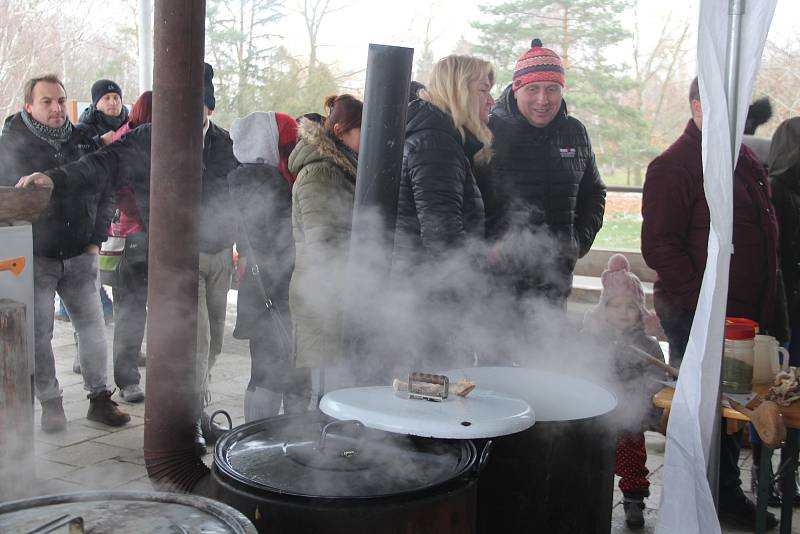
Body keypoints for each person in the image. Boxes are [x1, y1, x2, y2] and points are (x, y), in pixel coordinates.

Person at [14, 63, 238, 453]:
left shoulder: (222, 142)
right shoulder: (147, 139)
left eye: (199, 106)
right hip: (173, 258)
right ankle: (185, 423)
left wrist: (248, 248)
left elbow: (244, 195)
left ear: (209, 109)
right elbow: (100, 165)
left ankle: (195, 409)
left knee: (212, 344)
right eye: (181, 107)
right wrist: (54, 178)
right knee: (193, 344)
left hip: (217, 254)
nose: (190, 115)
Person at [641, 77, 781, 530]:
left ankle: (722, 490)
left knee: (731, 408)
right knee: (705, 412)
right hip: (697, 315)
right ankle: (704, 497)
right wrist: (704, 306)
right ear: (699, 106)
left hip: (742, 315)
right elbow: (659, 245)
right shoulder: (675, 165)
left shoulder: (743, 159)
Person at [0, 74, 130, 432]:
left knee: (92, 327)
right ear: (29, 105)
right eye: (47, 102)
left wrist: (95, 239)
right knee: (39, 333)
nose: (56, 108)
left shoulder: (83, 139)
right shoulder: (11, 144)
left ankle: (100, 398)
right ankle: (51, 403)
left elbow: (107, 189)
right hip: (35, 255)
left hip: (80, 251)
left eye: (60, 100)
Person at [482, 39, 606, 308]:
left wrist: (578, 242)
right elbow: (468, 200)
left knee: (550, 349)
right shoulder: (489, 131)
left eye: (552, 89)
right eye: (533, 89)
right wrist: (486, 250)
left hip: (555, 283)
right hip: (497, 288)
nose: (543, 99)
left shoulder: (575, 131)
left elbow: (594, 191)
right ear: (516, 90)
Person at [392, 54, 494, 371]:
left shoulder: (439, 136)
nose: (491, 100)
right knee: (431, 393)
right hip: (430, 304)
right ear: (459, 90)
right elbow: (442, 237)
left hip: (422, 296)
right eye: (483, 89)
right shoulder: (436, 143)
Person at [228, 111, 312, 419]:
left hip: (259, 287)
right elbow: (280, 244)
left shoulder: (244, 176)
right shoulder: (269, 182)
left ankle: (250, 435)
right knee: (274, 371)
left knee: (262, 369)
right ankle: (258, 440)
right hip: (275, 289)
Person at [581, 254, 665, 529]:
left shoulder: (648, 346)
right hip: (597, 411)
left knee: (631, 457)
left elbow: (656, 377)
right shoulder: (593, 340)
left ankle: (634, 499)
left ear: (640, 309)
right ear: (603, 309)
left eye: (630, 306)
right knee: (592, 455)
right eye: (615, 305)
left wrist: (636, 393)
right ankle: (591, 492)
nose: (622, 312)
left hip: (631, 414)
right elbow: (582, 366)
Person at [287, 94, 362, 397]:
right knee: (332, 394)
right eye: (362, 131)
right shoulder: (321, 171)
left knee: (339, 389)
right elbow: (323, 246)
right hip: (323, 299)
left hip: (335, 296)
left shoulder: (342, 166)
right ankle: (330, 444)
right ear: (342, 130)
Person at [101, 90, 153, 404]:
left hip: (151, 234)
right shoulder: (126, 142)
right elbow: (117, 191)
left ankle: (135, 366)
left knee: (138, 310)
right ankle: (127, 378)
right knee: (130, 310)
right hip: (131, 238)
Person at [766, 116, 800, 504]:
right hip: (784, 306)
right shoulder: (776, 190)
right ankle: (770, 476)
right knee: (778, 396)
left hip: (792, 301)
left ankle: (788, 474)